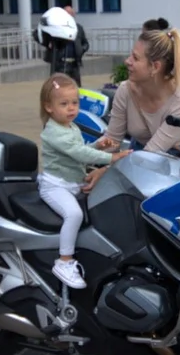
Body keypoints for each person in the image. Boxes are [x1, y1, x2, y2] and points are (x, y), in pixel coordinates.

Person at [38, 73, 129, 288]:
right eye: (64, 104)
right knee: (74, 214)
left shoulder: (70, 127)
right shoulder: (53, 132)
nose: (71, 108)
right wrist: (111, 157)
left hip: (73, 183)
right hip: (55, 186)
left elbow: (80, 152)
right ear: (49, 107)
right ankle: (64, 261)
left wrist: (99, 145)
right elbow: (79, 154)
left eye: (75, 103)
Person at [85, 27, 180, 189]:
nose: (127, 61)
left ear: (155, 67)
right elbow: (112, 140)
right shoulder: (125, 90)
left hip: (172, 165)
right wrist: (79, 156)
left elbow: (150, 154)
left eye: (135, 58)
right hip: (136, 155)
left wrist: (106, 171)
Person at [37, 6, 83, 86]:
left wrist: (81, 50)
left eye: (71, 14)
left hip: (74, 65)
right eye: (67, 14)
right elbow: (37, 34)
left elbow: (85, 43)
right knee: (58, 87)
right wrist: (48, 44)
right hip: (59, 64)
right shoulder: (54, 26)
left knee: (75, 88)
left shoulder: (78, 28)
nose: (69, 16)